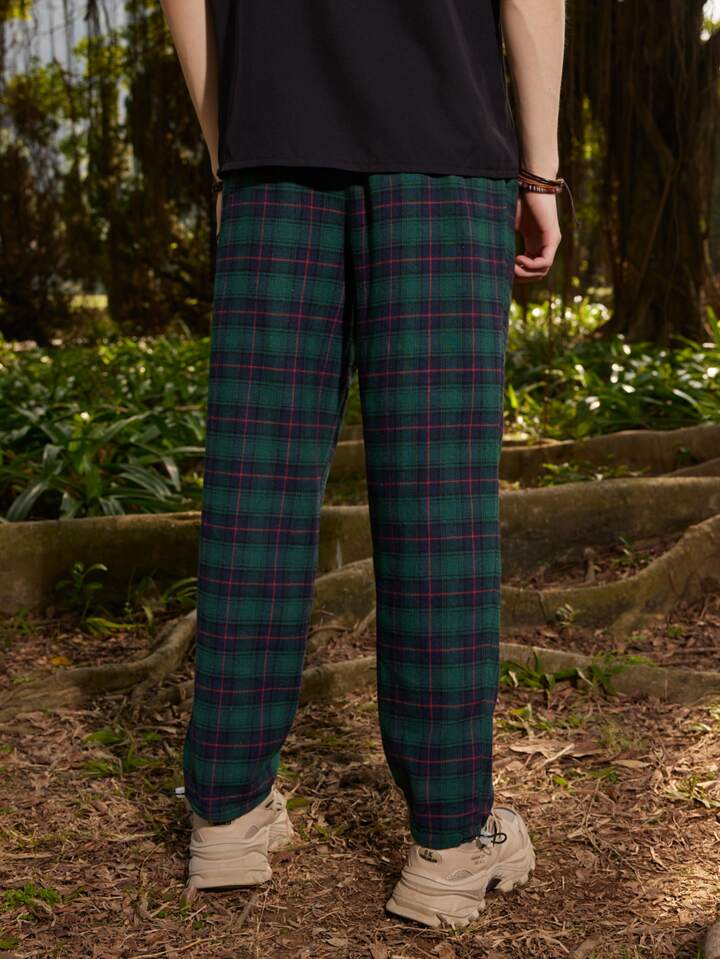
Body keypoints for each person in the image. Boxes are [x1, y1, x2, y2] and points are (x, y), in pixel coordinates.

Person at [159, 0, 565, 930]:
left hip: (271, 156)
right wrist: (540, 172)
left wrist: (229, 154)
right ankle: (450, 844)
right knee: (438, 505)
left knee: (256, 494)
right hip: (443, 151)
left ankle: (225, 812)